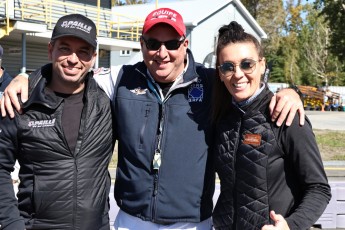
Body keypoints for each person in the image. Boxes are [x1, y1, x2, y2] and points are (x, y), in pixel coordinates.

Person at [1, 8, 305, 230]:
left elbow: (250, 87)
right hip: (131, 222)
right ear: (142, 45)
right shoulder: (120, 79)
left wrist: (292, 92)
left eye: (172, 43)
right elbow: (70, 69)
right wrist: (29, 77)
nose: (162, 52)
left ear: (184, 45)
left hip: (193, 224)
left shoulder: (212, 82)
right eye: (153, 43)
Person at [211, 21, 331, 230]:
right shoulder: (221, 118)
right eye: (228, 67)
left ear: (262, 64)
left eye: (247, 64)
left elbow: (319, 189)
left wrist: (290, 226)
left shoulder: (286, 115)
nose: (238, 74)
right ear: (220, 73)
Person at [0, 14, 114, 230]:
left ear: (93, 57)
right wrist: (12, 224)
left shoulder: (107, 102)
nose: (73, 59)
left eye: (83, 51)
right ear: (50, 49)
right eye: (65, 48)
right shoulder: (20, 101)